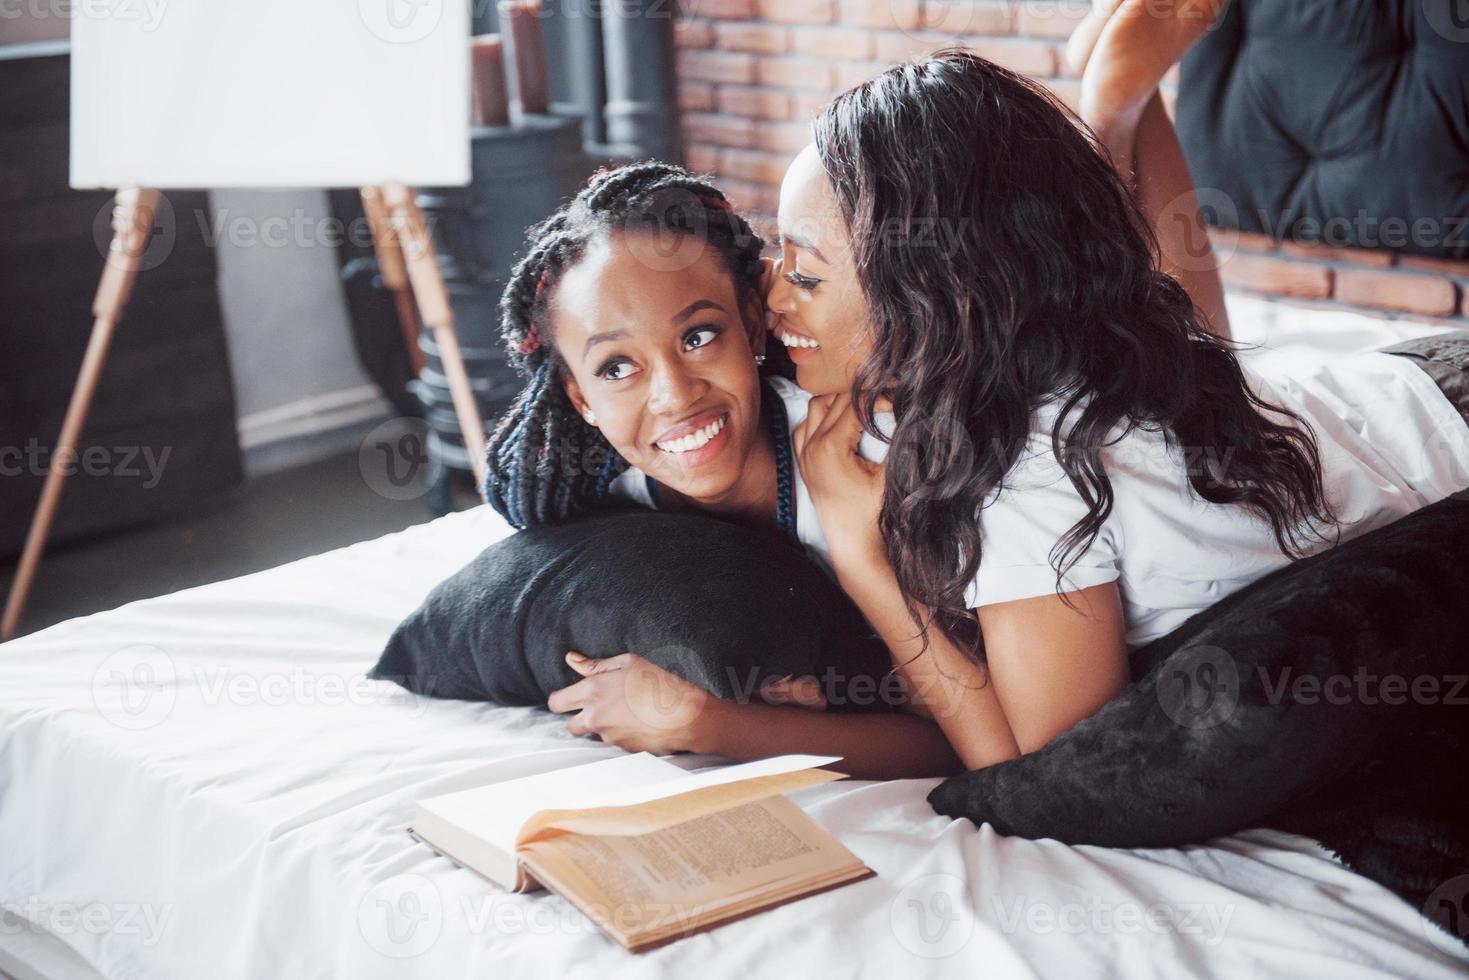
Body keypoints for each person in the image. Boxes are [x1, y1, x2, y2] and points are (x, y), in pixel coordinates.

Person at [767, 41, 1469, 772]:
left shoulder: (1022, 464)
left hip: (1445, 426)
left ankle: (1118, 109)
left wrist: (860, 556)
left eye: (805, 275)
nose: (772, 299)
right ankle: (1122, 106)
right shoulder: (1059, 346)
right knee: (1196, 338)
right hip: (1401, 388)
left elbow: (1040, 770)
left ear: (931, 294)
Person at [480, 161, 963, 779]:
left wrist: (711, 723)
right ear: (582, 402)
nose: (675, 397)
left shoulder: (871, 457)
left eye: (699, 336)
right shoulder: (595, 497)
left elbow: (960, 740)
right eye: (617, 369)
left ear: (755, 326)